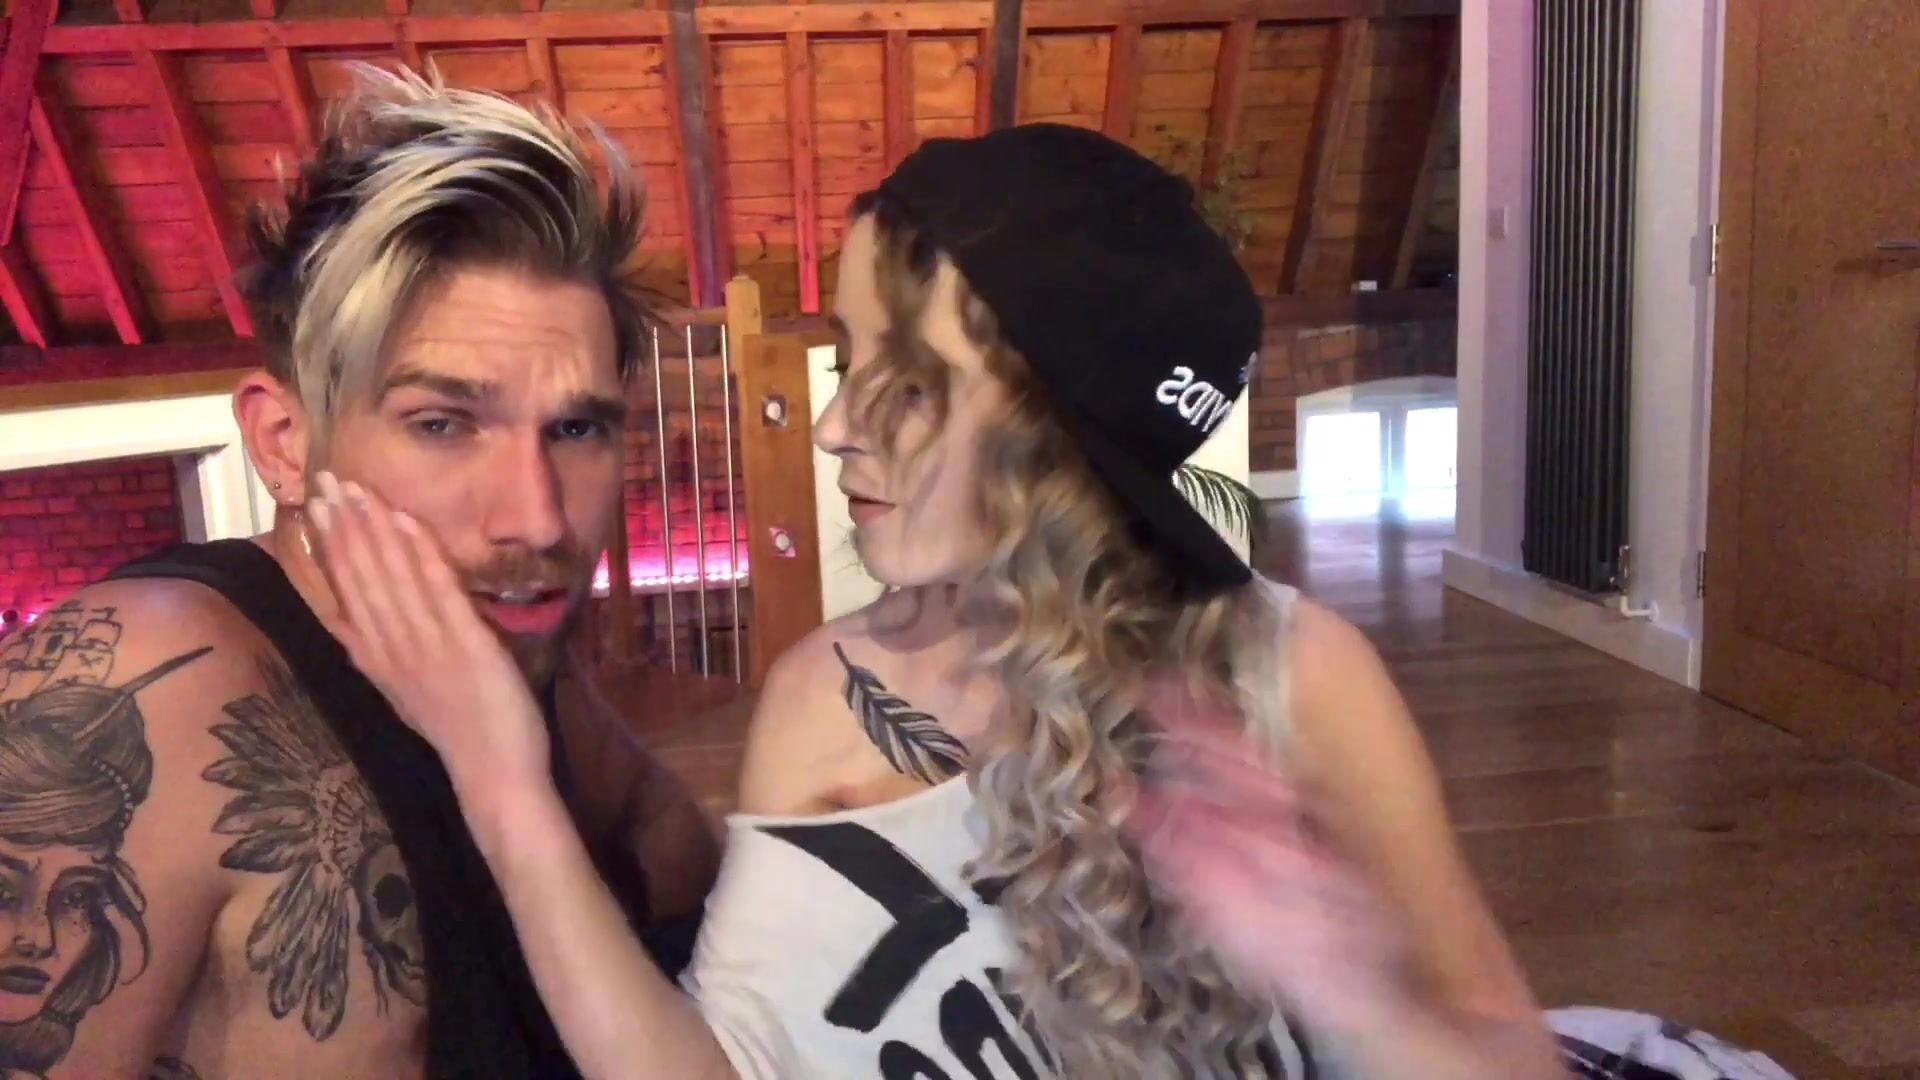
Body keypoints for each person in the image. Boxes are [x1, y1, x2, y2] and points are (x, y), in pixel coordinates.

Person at [310, 122, 1572, 1078]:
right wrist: (505, 788)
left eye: (906, 382)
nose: (834, 426)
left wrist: (1344, 991)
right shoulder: (823, 698)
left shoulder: (1290, 678)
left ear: (1056, 437)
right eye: (845, 357)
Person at [0, 67, 719, 1078]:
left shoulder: (503, 656)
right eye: (442, 424)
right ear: (285, 444)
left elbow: (681, 857)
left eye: (576, 429)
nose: (537, 518)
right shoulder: (148, 683)